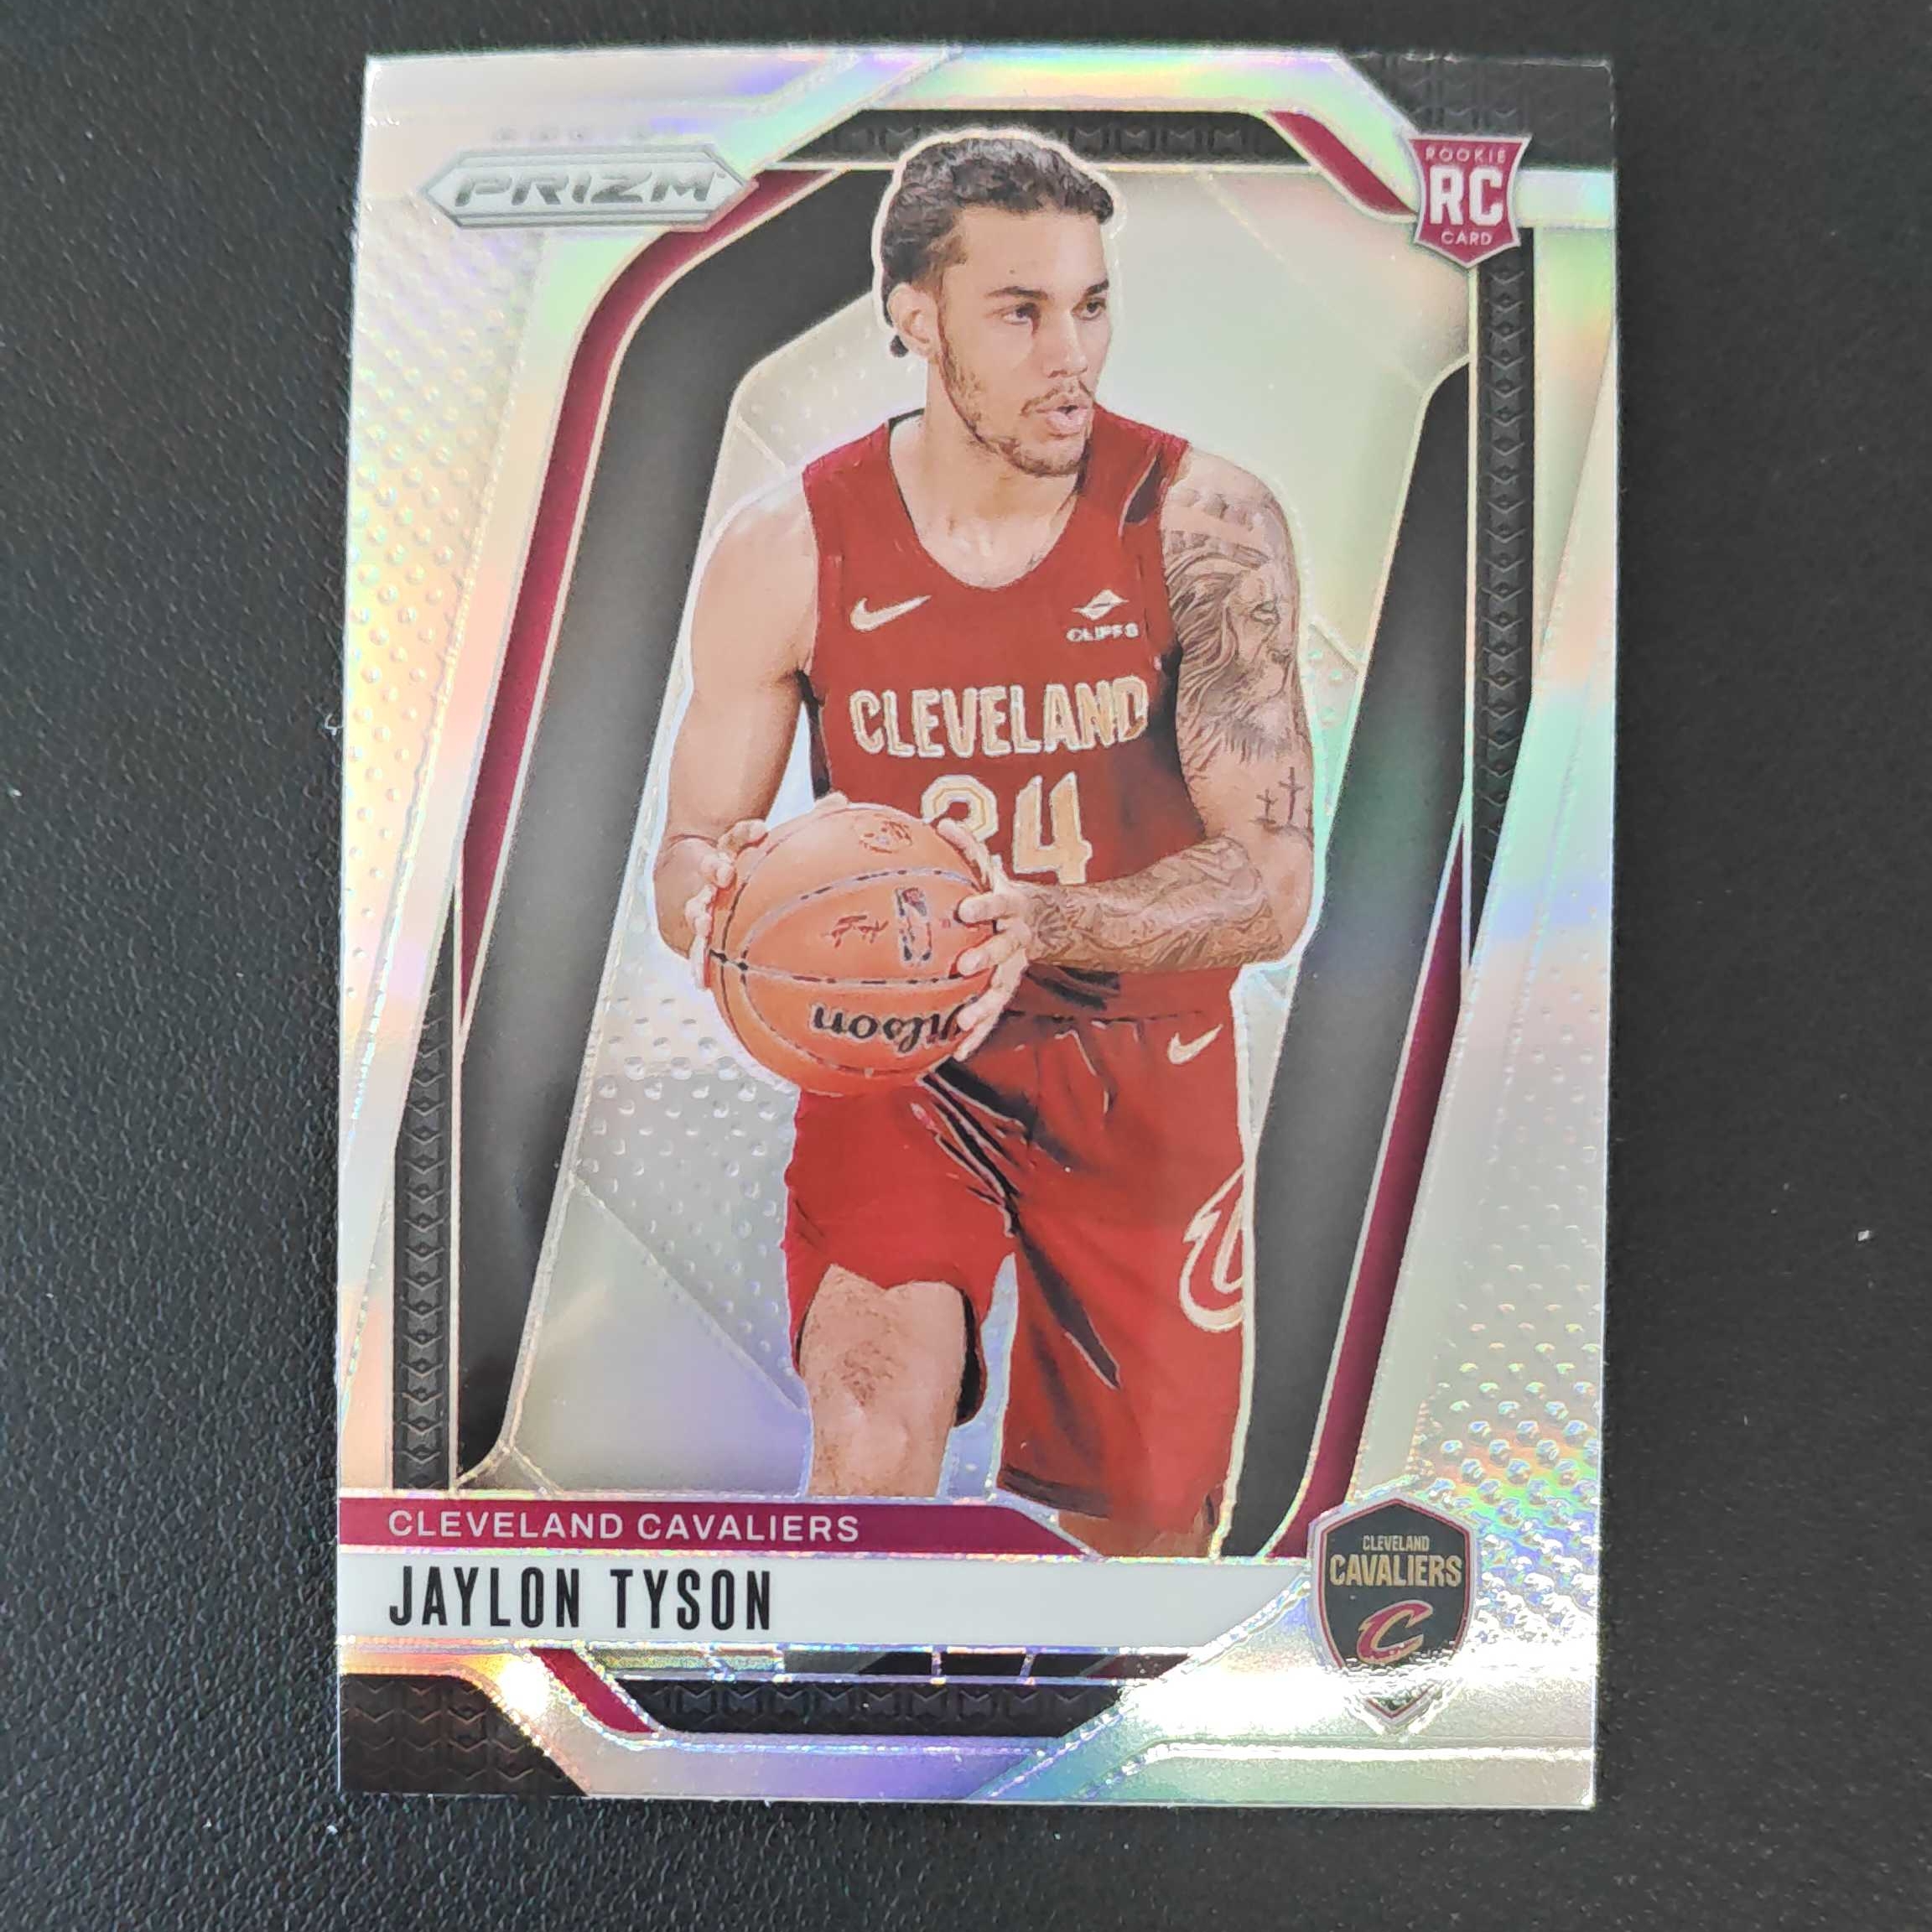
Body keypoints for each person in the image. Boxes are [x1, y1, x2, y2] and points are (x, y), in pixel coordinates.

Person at [654, 132, 1316, 1556]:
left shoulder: (1205, 526)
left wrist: (1041, 922)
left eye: (1090, 306)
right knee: (870, 1424)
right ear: (916, 315)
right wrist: (719, 901)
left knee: (1144, 1550)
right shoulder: (787, 547)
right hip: (903, 1048)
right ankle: (838, 1700)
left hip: (1141, 1059)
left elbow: (1272, 887)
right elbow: (691, 852)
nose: (1070, 355)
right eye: (1021, 312)